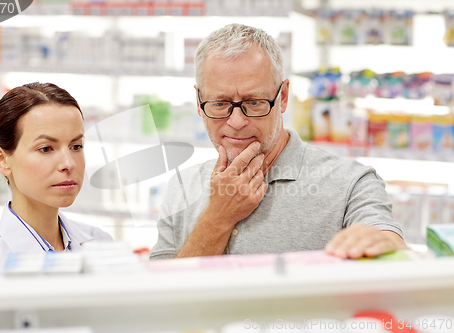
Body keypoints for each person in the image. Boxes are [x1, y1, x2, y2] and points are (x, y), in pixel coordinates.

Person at [150, 24, 405, 260]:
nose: (236, 121)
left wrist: (383, 242)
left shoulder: (351, 182)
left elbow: (386, 237)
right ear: (198, 102)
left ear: (282, 97)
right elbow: (159, 297)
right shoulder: (181, 187)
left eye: (253, 102)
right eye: (220, 104)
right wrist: (218, 217)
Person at [0, 83, 113, 282]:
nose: (68, 163)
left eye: (76, 146)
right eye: (46, 149)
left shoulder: (101, 244)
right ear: (2, 160)